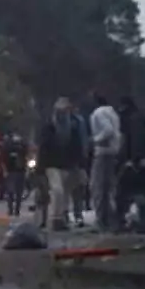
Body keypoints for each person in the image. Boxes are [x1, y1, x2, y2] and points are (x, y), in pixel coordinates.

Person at [38, 98, 85, 231]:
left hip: (68, 165)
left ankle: (61, 218)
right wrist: (40, 168)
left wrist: (80, 164)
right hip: (52, 165)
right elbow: (43, 148)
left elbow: (77, 147)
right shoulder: (49, 127)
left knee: (65, 193)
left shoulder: (73, 128)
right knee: (57, 191)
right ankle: (55, 218)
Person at [115, 96, 145, 228]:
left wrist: (132, 160)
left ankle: (121, 222)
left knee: (123, 193)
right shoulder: (142, 118)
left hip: (137, 163)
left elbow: (135, 141)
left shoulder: (133, 120)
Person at [88, 94, 122, 231]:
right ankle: (109, 219)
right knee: (108, 188)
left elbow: (107, 130)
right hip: (113, 152)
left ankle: (101, 220)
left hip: (102, 152)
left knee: (97, 187)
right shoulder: (113, 113)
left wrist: (95, 139)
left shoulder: (98, 113)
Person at [1, 132, 30, 217]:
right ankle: (15, 210)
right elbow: (26, 157)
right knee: (17, 192)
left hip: (13, 170)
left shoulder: (8, 145)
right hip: (18, 170)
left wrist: (4, 170)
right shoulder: (21, 145)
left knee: (12, 191)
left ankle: (12, 210)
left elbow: (3, 158)